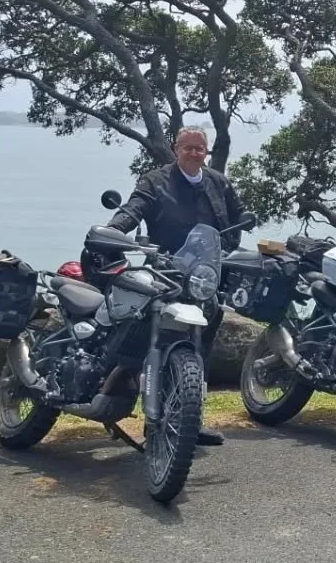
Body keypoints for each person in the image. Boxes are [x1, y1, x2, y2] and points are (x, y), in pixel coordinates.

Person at [106, 126, 248, 445]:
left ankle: (190, 420)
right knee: (149, 340)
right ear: (176, 149)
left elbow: (238, 217)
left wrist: (229, 244)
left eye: (200, 149)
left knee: (199, 349)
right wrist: (114, 230)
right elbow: (133, 209)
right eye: (189, 148)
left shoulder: (218, 182)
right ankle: (146, 413)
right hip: (165, 272)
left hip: (203, 278)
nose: (195, 153)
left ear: (206, 152)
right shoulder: (154, 181)